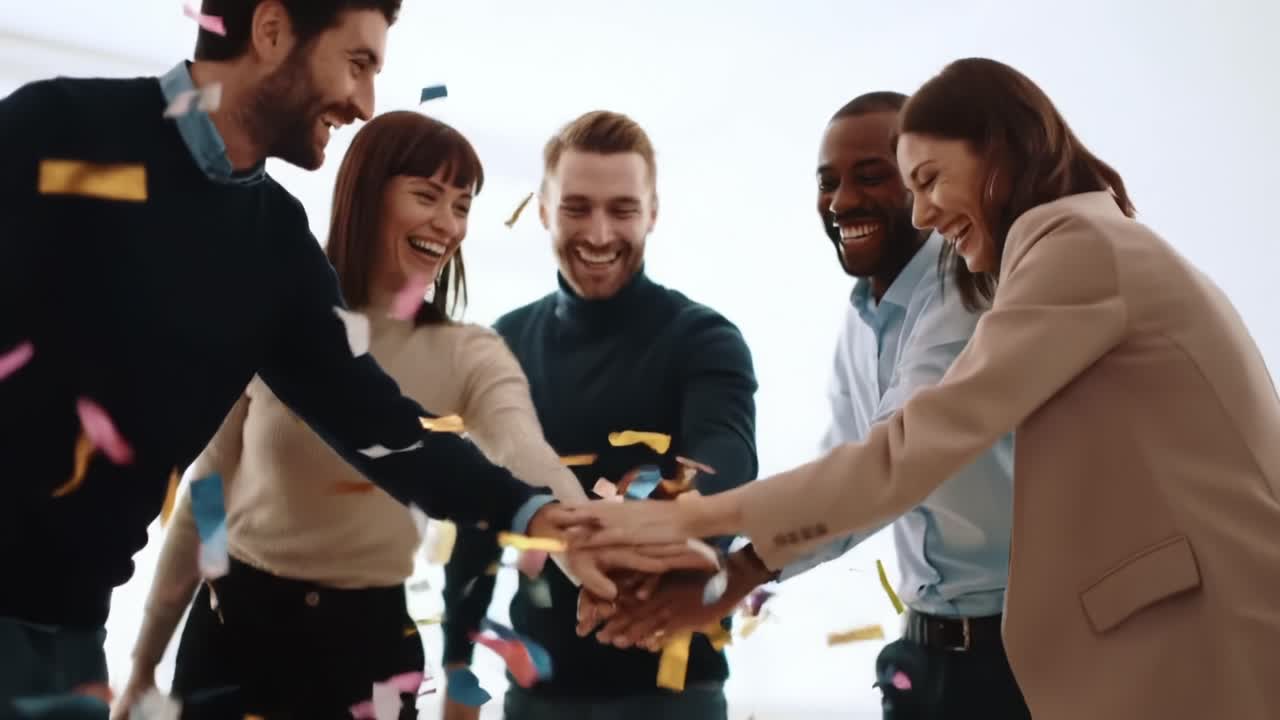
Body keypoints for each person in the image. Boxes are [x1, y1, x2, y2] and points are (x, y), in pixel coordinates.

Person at [568, 57, 1280, 720]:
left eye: (928, 179)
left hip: (1172, 631)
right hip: (967, 643)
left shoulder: (1069, 252)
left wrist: (677, 523)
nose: (922, 212)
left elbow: (899, 458)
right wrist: (726, 575)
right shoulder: (936, 293)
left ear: (998, 151)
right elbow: (856, 471)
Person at [0, 1, 609, 713]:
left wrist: (541, 515)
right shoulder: (56, 130)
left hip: (70, 634)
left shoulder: (275, 249)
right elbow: (207, 503)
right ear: (269, 31)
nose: (364, 101)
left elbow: (387, 432)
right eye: (357, 64)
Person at [108, 111, 688, 720]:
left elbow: (526, 454)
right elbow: (205, 502)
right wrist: (143, 667)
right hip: (234, 637)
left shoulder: (470, 353)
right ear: (368, 190)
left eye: (462, 205)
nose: (449, 223)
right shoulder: (278, 323)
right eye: (428, 196)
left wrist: (579, 549)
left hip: (368, 650)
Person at [590, 92, 1029, 719]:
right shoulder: (865, 315)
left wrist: (736, 570)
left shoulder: (961, 296)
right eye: (828, 183)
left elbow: (887, 466)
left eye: (871, 177)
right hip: (928, 654)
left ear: (924, 181)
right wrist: (705, 562)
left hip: (1017, 664)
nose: (843, 201)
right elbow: (841, 473)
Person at [440, 110, 759, 720]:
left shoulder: (704, 338)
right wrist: (458, 669)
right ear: (542, 210)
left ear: (654, 213)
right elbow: (474, 517)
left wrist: (637, 536)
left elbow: (727, 461)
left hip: (674, 697)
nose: (600, 232)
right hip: (534, 698)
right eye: (577, 208)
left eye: (623, 209)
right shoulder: (502, 346)